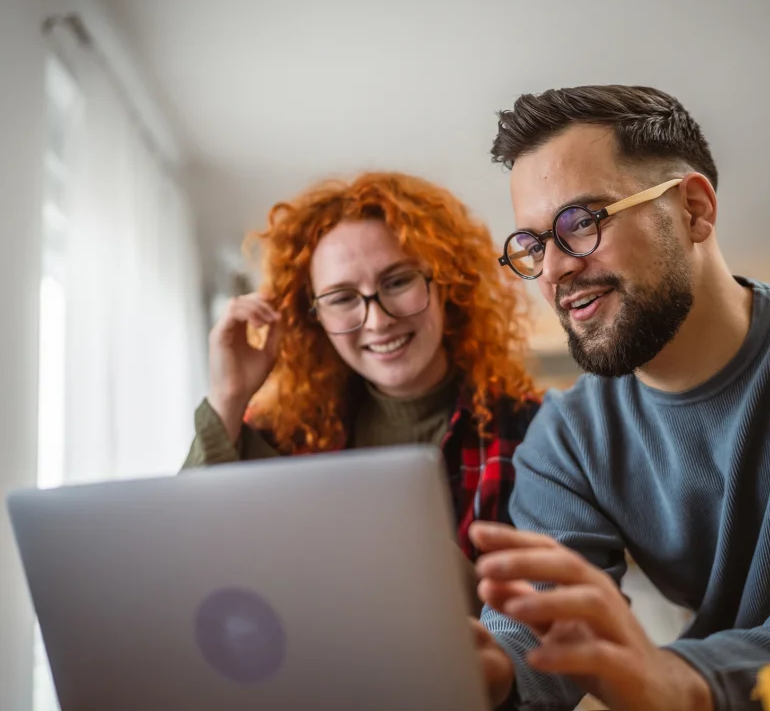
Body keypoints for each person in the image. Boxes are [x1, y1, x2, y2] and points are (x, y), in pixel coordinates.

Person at [467, 85, 770, 711]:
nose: (552, 271)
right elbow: (540, 623)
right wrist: (490, 669)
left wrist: (679, 680)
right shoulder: (566, 436)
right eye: (533, 245)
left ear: (693, 209)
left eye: (581, 223)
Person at [183, 171, 541, 597]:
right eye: (341, 298)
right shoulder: (284, 438)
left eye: (398, 281)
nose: (378, 319)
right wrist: (230, 394)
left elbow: (541, 625)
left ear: (449, 282)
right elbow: (185, 560)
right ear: (311, 315)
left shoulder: (532, 432)